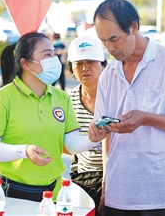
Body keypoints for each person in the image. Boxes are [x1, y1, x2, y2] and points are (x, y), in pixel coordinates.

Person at [92, 0, 165, 216]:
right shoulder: (108, 74)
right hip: (118, 194)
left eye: (114, 38)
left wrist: (146, 118)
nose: (110, 48)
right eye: (103, 41)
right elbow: (104, 135)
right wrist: (96, 133)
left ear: (134, 27)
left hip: (162, 196)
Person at [0, 31, 106, 207]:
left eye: (54, 53)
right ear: (26, 63)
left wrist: (91, 140)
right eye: (47, 54)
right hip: (8, 193)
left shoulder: (61, 97)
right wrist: (24, 151)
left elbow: (71, 142)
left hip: (51, 194)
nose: (54, 59)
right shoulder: (1, 99)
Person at [67, 36, 107, 216]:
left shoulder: (116, 96)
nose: (85, 67)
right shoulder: (68, 100)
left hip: (115, 180)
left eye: (91, 61)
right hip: (83, 180)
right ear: (71, 69)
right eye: (78, 63)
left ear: (103, 65)